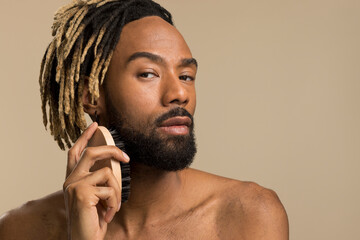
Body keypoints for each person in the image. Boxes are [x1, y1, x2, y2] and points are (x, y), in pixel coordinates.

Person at [0, 0, 289, 239]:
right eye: (148, 73)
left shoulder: (248, 215)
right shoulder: (21, 230)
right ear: (91, 96)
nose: (179, 93)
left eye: (186, 76)